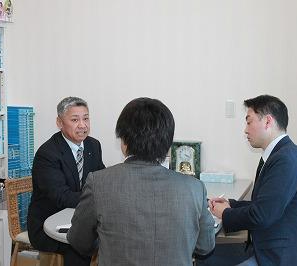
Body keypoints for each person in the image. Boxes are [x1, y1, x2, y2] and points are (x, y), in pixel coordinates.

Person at [67, 97, 215, 266]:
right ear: (168, 145)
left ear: (124, 141)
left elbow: (79, 241)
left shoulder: (98, 183)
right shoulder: (194, 188)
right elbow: (205, 246)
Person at [209, 95, 297, 266]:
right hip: (272, 248)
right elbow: (263, 206)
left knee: (205, 257)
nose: (245, 130)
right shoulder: (281, 154)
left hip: (282, 257)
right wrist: (231, 204)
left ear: (268, 122)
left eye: (249, 121)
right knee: (208, 256)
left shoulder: (285, 160)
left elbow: (261, 216)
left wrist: (225, 213)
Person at [27, 96, 105, 266]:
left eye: (86, 118)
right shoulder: (48, 154)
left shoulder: (93, 145)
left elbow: (102, 181)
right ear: (60, 122)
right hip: (48, 224)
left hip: (80, 218)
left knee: (112, 238)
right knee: (80, 245)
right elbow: (61, 197)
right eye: (75, 120)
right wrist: (95, 200)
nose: (82, 125)